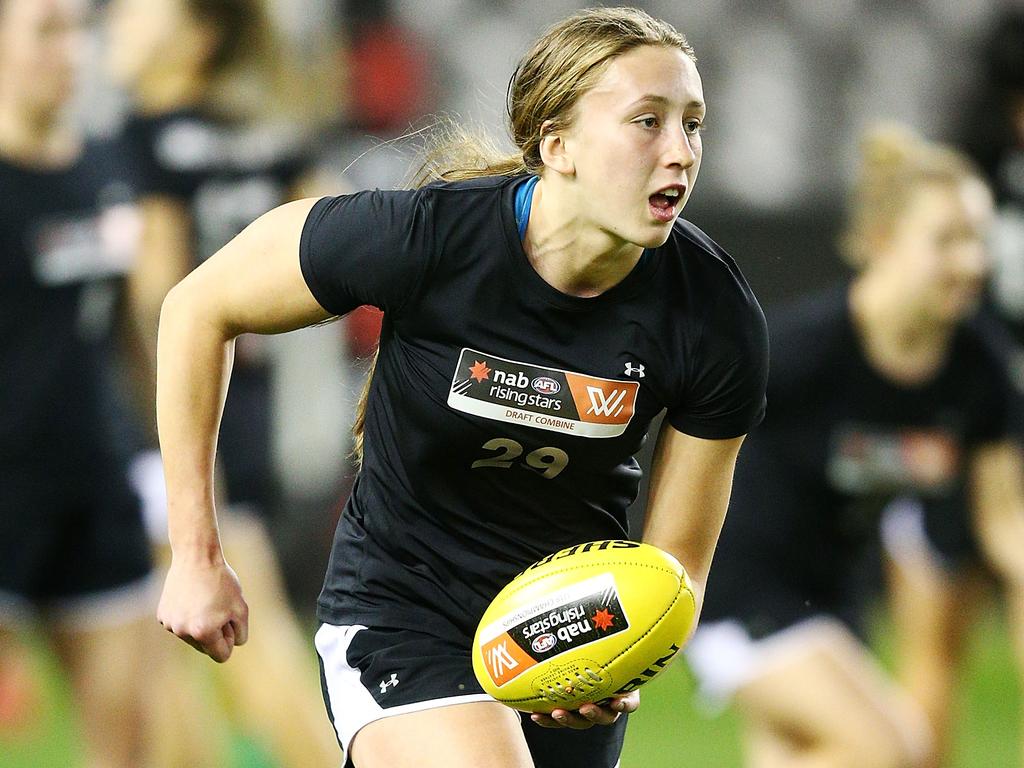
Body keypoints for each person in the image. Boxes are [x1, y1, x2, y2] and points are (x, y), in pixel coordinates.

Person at [155, 7, 769, 768]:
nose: (680, 151)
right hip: (403, 607)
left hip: (564, 630)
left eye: (694, 124)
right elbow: (195, 308)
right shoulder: (427, 237)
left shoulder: (713, 313)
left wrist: (622, 660)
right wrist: (195, 554)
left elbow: (678, 567)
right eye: (647, 121)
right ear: (558, 145)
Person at [686, 124, 1024, 768]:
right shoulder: (802, 351)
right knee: (897, 751)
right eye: (947, 240)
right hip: (743, 598)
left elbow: (1006, 521)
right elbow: (690, 439)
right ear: (880, 242)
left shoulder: (977, 366)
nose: (971, 261)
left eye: (978, 240)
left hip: (833, 607)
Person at [103, 1, 342, 766]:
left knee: (235, 642)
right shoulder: (270, 135)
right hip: (249, 398)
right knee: (169, 647)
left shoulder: (143, 140)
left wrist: (157, 430)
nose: (120, 23)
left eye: (142, 11)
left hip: (168, 411)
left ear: (197, 32)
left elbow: (158, 297)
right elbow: (333, 234)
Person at [0, 0, 156, 766]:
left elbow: (136, 335)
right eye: (47, 30)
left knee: (125, 746)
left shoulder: (107, 168)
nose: (71, 50)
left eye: (79, 29)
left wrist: (176, 464)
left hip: (95, 486)